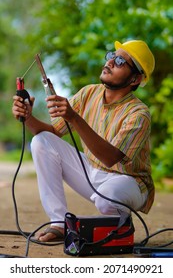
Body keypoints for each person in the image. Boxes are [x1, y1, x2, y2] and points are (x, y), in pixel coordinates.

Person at [12, 40, 155, 242]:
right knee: (41, 141)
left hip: (128, 182)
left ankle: (121, 225)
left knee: (107, 198)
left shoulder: (139, 113)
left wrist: (74, 117)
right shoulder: (89, 93)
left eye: (121, 60)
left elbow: (110, 158)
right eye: (112, 55)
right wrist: (27, 117)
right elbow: (53, 131)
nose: (111, 61)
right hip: (91, 171)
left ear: (135, 79)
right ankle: (59, 223)